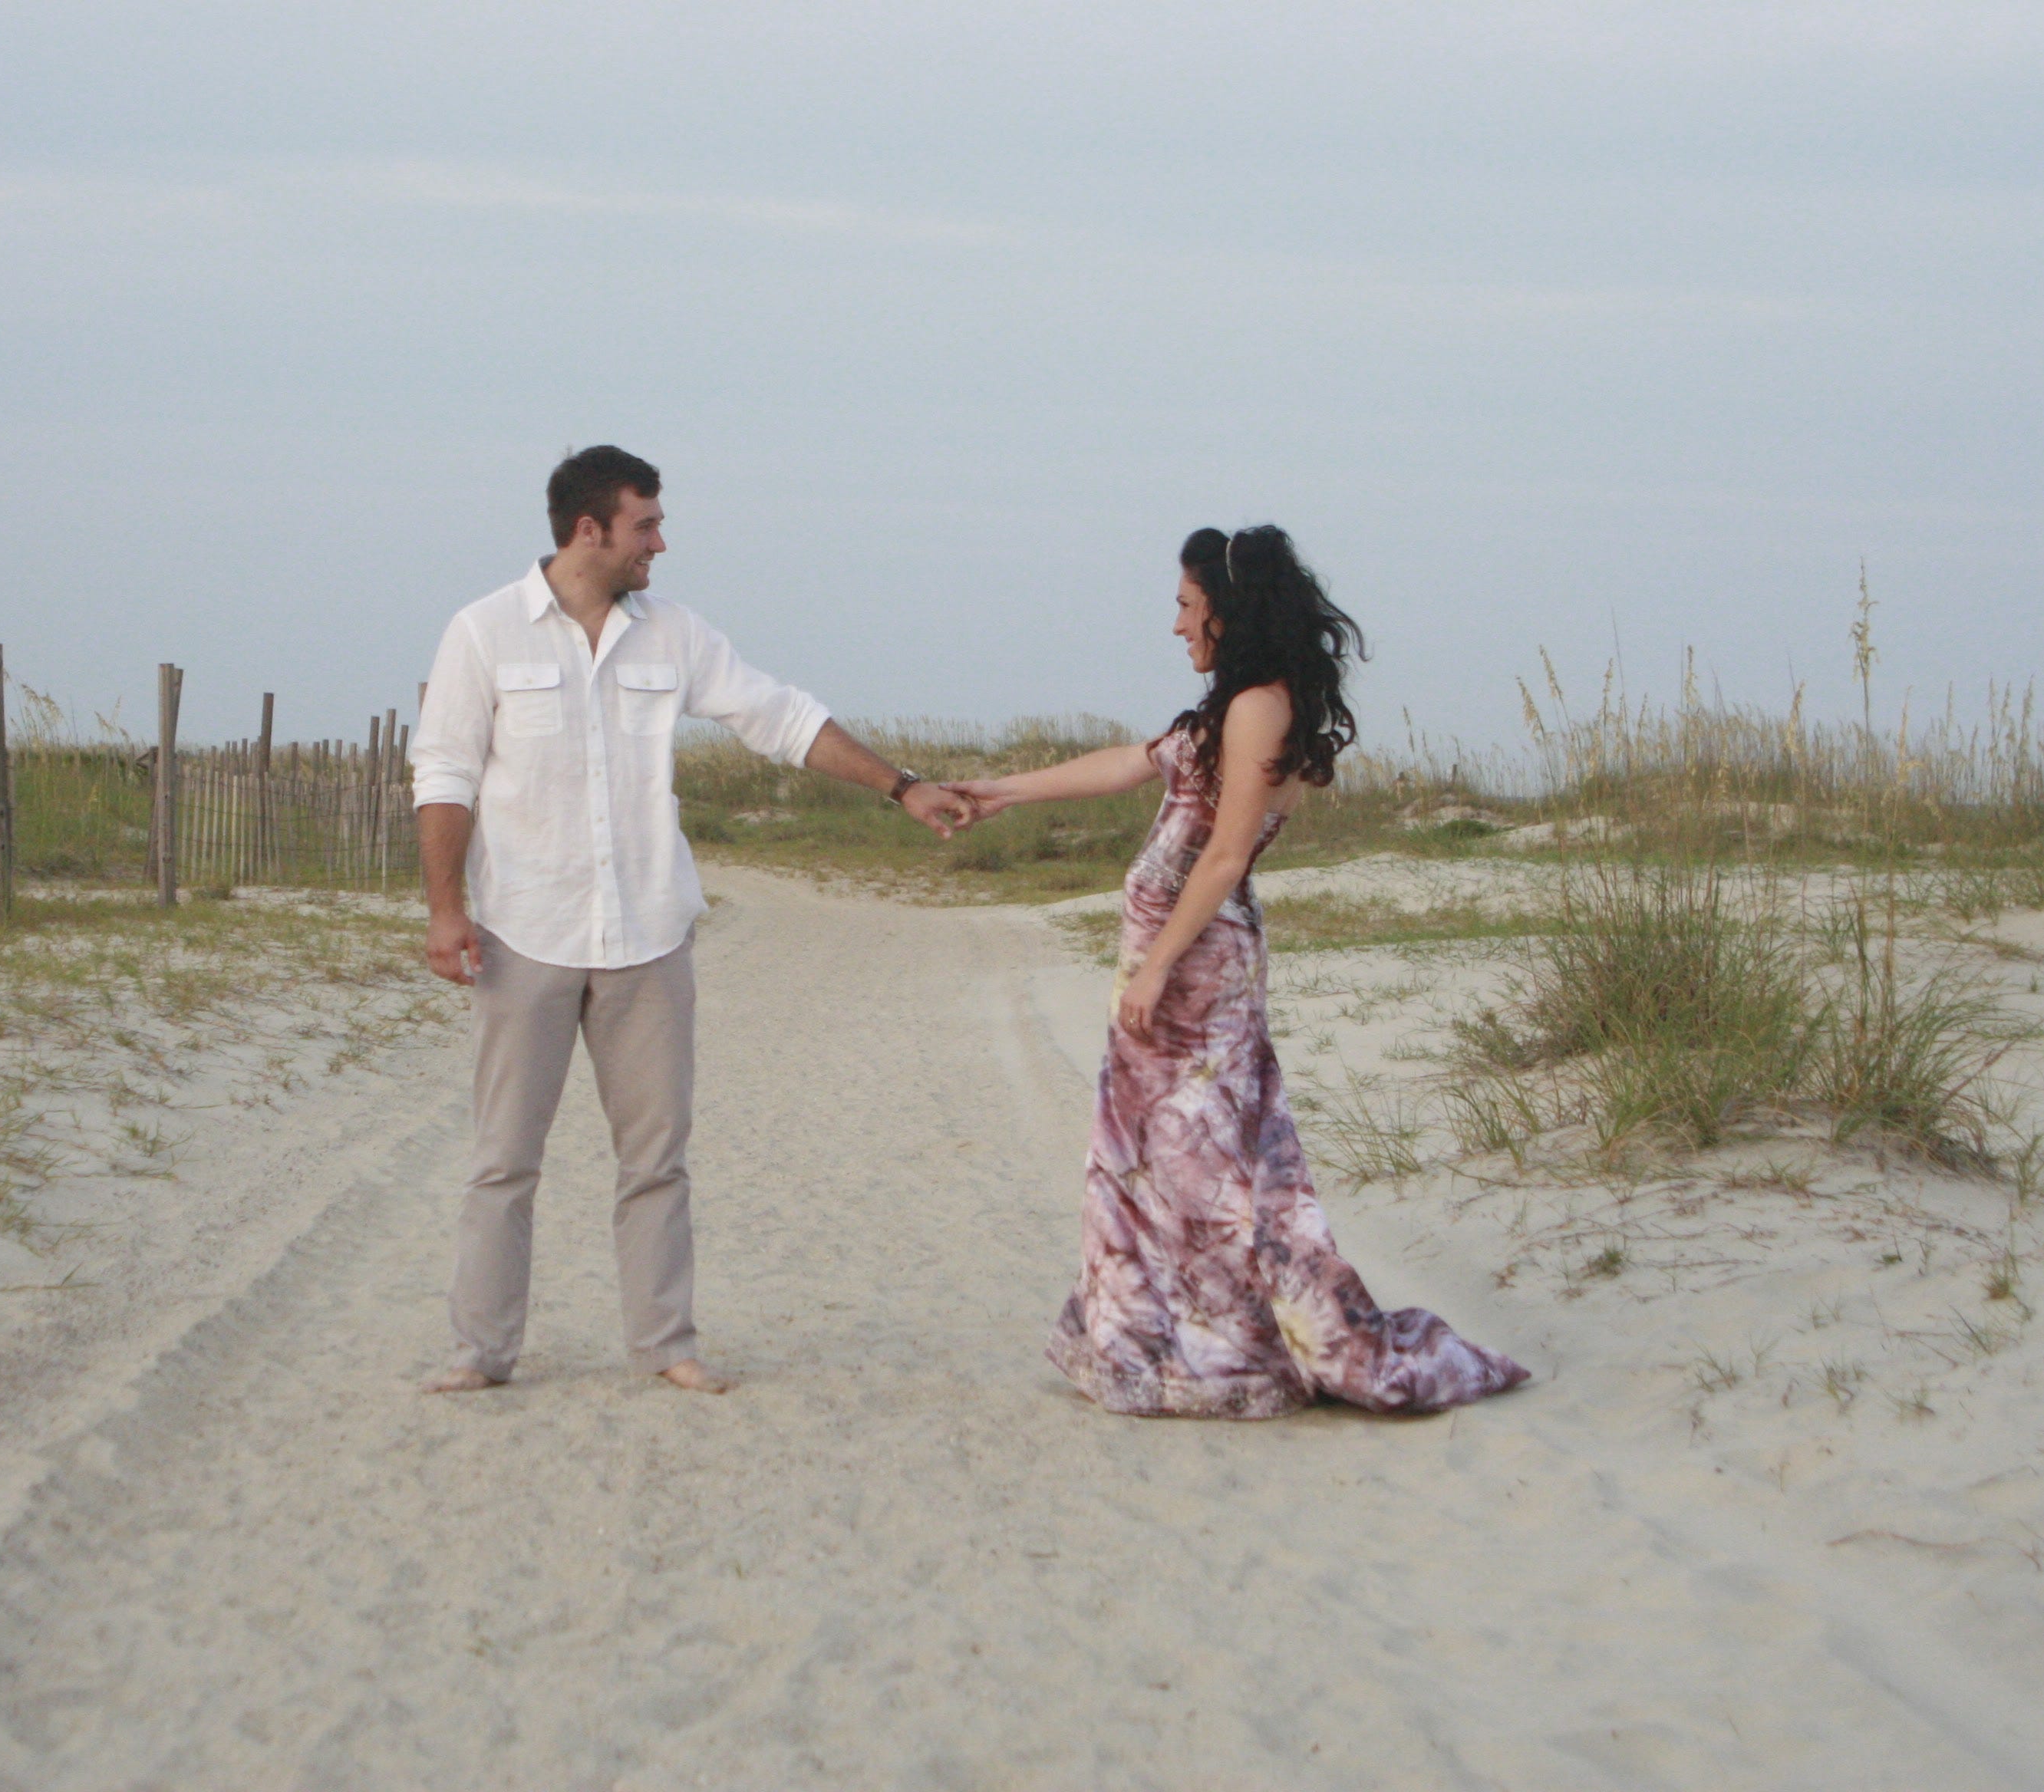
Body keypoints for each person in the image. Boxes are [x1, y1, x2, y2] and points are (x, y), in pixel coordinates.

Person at [410, 446, 974, 1395]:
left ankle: (666, 1343)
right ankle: (480, 1351)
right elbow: (445, 773)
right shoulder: (483, 631)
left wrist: (901, 785)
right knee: (504, 1158)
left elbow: (780, 717)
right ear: (589, 530)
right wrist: (444, 909)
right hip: (524, 930)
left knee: (657, 1160)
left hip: (648, 936)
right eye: (646, 525)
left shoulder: (673, 634)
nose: (660, 544)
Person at [945, 526, 1528, 1418]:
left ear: (1230, 606)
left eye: (1188, 605)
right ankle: (1155, 1341)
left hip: (1198, 965)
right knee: (1150, 1159)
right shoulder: (1231, 708)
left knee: (1206, 1164)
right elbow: (1130, 764)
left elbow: (1224, 857)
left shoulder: (1260, 706)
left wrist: (1156, 969)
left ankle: (1232, 1351)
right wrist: (1001, 792)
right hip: (1171, 958)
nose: (1178, 624)